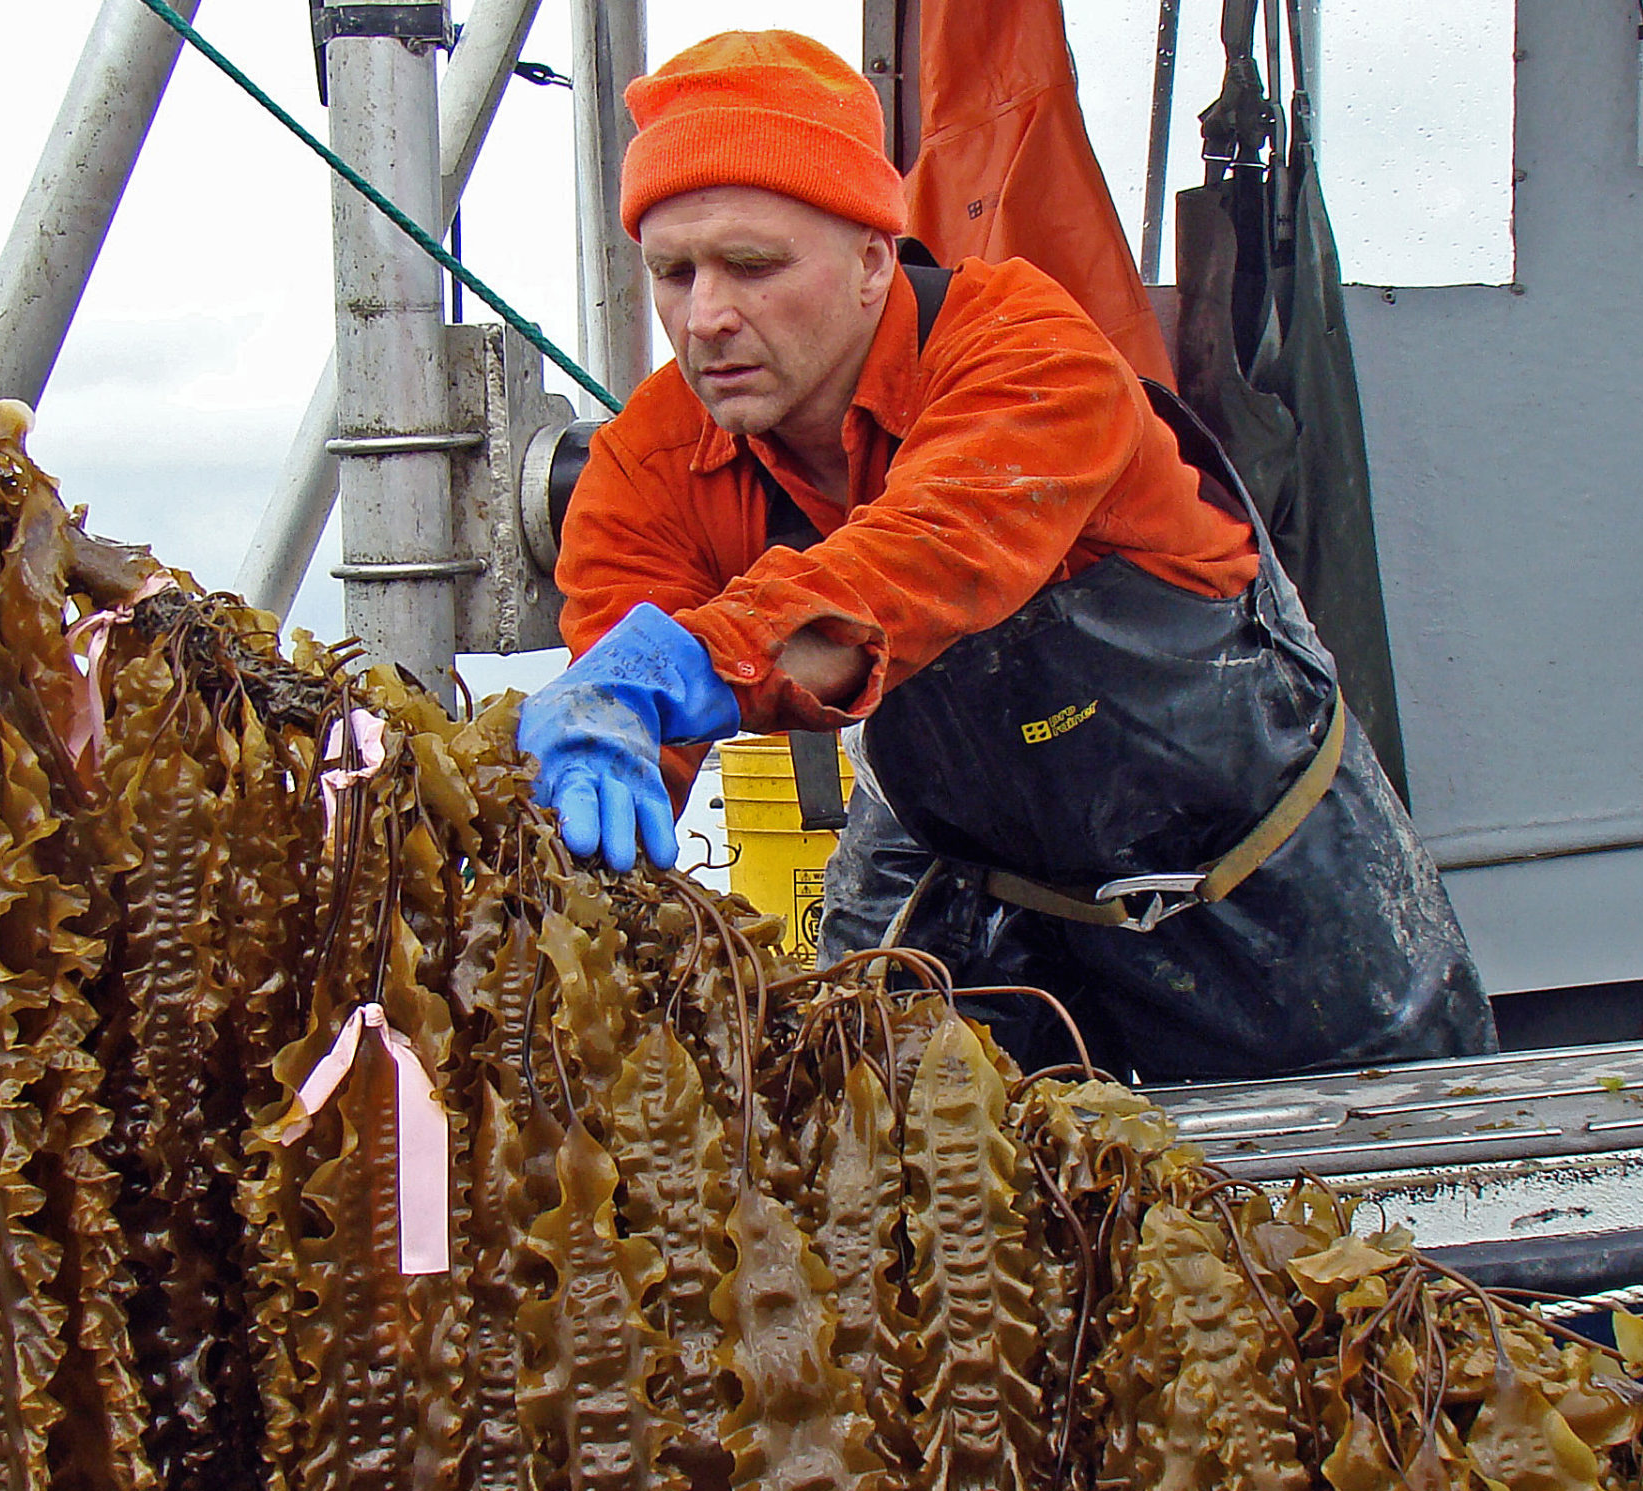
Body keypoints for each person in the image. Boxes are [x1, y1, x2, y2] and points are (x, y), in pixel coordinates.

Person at [522, 29, 1494, 1080]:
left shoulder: (1029, 351)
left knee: (1398, 1187)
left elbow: (925, 553)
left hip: (1254, 881)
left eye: (753, 267)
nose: (705, 316)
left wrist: (692, 665)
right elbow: (624, 738)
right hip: (962, 876)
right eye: (673, 272)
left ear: (868, 261)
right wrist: (593, 805)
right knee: (851, 1138)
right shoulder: (651, 464)